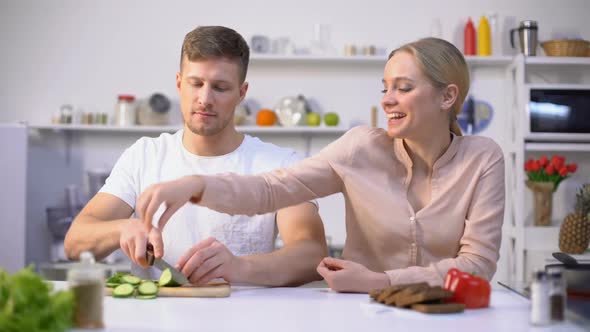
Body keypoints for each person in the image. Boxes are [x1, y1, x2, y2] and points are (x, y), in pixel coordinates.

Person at [135, 37, 505, 293]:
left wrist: (382, 280)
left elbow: (477, 264)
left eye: (403, 88)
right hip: (362, 313)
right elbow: (271, 189)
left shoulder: (482, 158)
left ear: (448, 96)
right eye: (385, 87)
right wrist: (196, 184)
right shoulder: (361, 148)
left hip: (450, 315)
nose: (389, 100)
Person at [64, 26, 328, 286]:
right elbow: (75, 243)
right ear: (179, 83)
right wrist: (122, 228)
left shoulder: (280, 163)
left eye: (220, 87)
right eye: (196, 83)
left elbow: (311, 255)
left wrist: (240, 266)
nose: (205, 98)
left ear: (241, 93)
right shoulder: (143, 155)